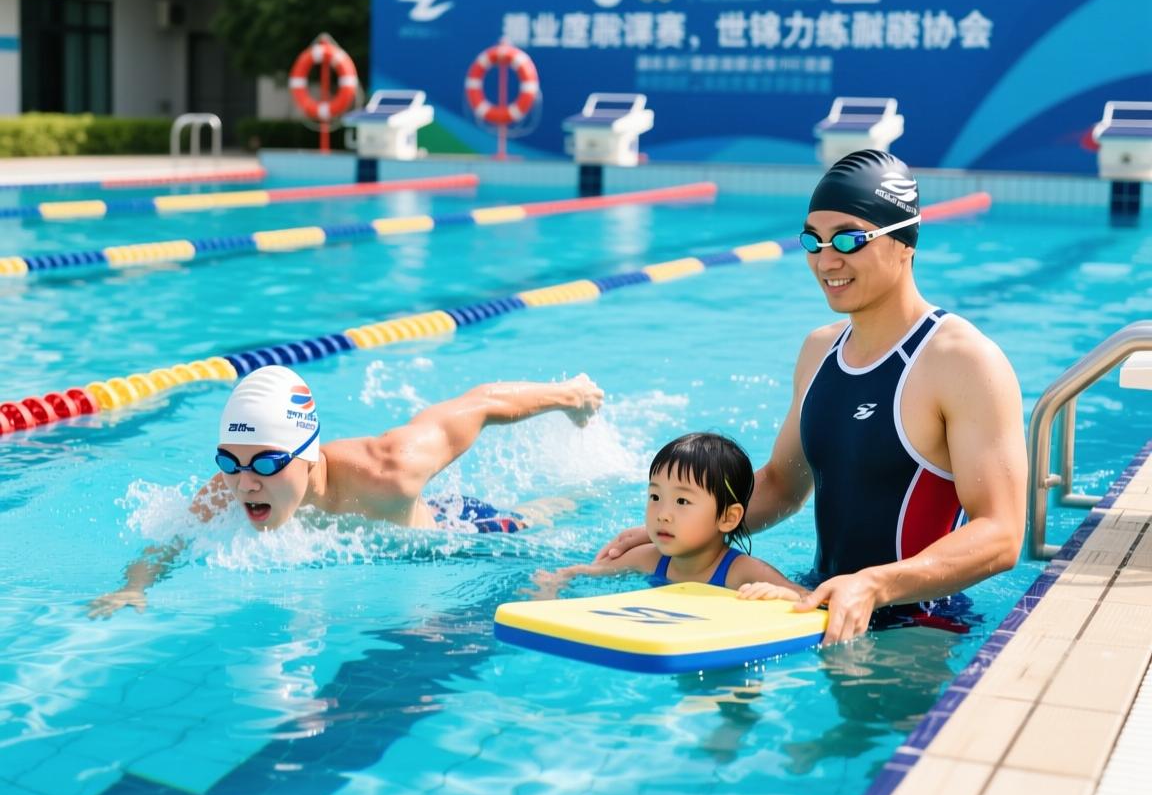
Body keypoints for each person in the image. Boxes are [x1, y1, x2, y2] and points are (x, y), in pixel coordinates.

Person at [597, 149, 1027, 644]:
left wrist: (874, 585)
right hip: (814, 604)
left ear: (904, 242)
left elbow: (1001, 533)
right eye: (813, 241)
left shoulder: (962, 360)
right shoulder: (820, 350)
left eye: (848, 239)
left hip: (919, 628)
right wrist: (681, 527)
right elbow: (783, 484)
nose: (826, 261)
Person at [89, 364, 604, 617]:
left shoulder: (389, 468)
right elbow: (171, 540)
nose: (245, 483)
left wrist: (570, 396)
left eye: (266, 463)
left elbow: (480, 405)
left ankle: (580, 492)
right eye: (230, 461)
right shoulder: (228, 487)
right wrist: (135, 586)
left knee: (542, 517)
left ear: (308, 454)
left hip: (458, 531)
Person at [533, 432, 804, 597]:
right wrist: (555, 582)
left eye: (682, 501)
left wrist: (780, 595)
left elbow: (807, 598)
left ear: (728, 518)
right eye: (655, 497)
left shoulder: (742, 572)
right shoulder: (649, 558)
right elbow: (583, 572)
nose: (663, 514)